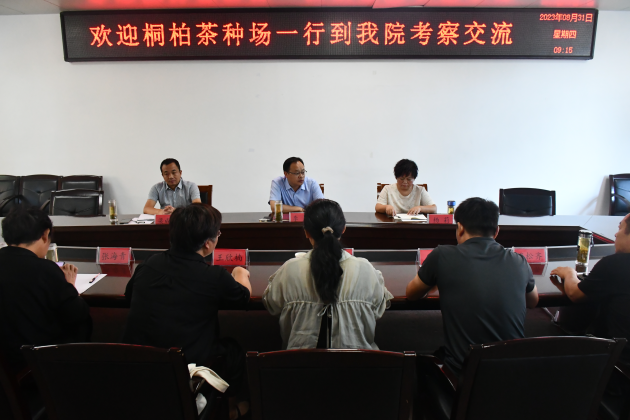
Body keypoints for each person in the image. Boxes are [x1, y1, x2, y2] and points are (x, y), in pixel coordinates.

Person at [406, 197, 539, 375]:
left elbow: (411, 293)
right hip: (514, 372)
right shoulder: (519, 261)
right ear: (497, 231)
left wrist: (436, 281)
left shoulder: (442, 255)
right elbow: (533, 301)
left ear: (460, 227)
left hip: (466, 375)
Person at [263, 199, 393, 349]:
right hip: (357, 363)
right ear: (343, 229)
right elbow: (379, 307)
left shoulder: (289, 270)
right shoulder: (366, 270)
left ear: (306, 232)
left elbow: (271, 304)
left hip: (300, 363)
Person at [0, 206, 90, 373]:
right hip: (34, 365)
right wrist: (70, 287)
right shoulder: (45, 269)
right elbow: (77, 314)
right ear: (44, 235)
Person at [550, 213, 630, 366]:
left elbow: (575, 294)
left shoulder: (615, 264)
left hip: (619, 361)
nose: (616, 234)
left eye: (620, 228)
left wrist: (569, 273)